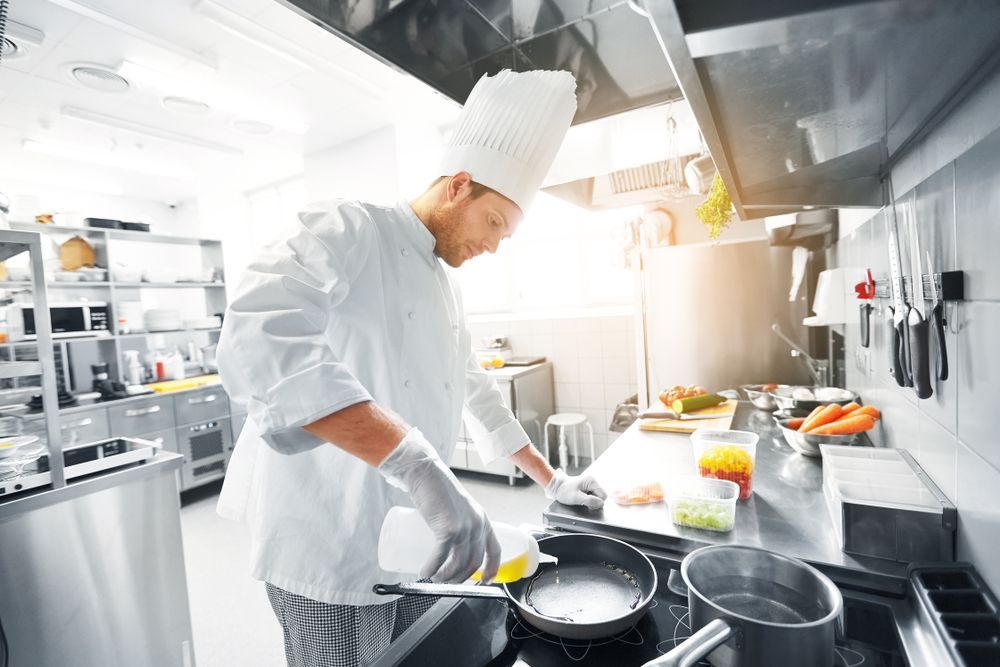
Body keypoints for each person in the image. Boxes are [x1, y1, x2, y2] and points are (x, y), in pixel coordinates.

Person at [215, 69, 607, 667]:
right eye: (495, 223)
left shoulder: (443, 285)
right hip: (330, 544)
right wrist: (416, 463)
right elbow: (258, 329)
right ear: (457, 186)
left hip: (412, 538)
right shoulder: (351, 227)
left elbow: (475, 389)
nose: (496, 245)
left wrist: (550, 479)